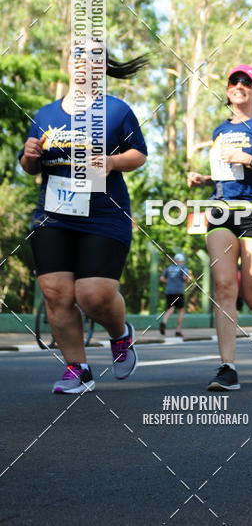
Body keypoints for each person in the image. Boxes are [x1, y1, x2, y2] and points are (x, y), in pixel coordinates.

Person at [20, 44, 148, 394]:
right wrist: (30, 155)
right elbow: (30, 162)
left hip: (103, 215)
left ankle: (120, 335)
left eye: (94, 59)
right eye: (78, 57)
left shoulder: (116, 111)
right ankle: (78, 369)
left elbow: (139, 154)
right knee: (55, 293)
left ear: (102, 69)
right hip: (54, 215)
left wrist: (110, 162)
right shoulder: (46, 114)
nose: (84, 64)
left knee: (92, 294)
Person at [187, 65, 252, 391]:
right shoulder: (219, 131)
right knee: (224, 285)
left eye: (247, 82)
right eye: (235, 81)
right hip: (220, 211)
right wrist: (204, 179)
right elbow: (226, 175)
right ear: (228, 89)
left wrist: (250, 160)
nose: (240, 85)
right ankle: (227, 367)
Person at [159, 252, 191, 336]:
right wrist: (187, 280)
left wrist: (169, 282)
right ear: (182, 261)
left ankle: (164, 321)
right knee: (181, 310)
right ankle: (178, 330)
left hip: (169, 291)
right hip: (178, 291)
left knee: (171, 308)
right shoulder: (183, 268)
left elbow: (161, 278)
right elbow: (185, 278)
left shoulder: (169, 268)